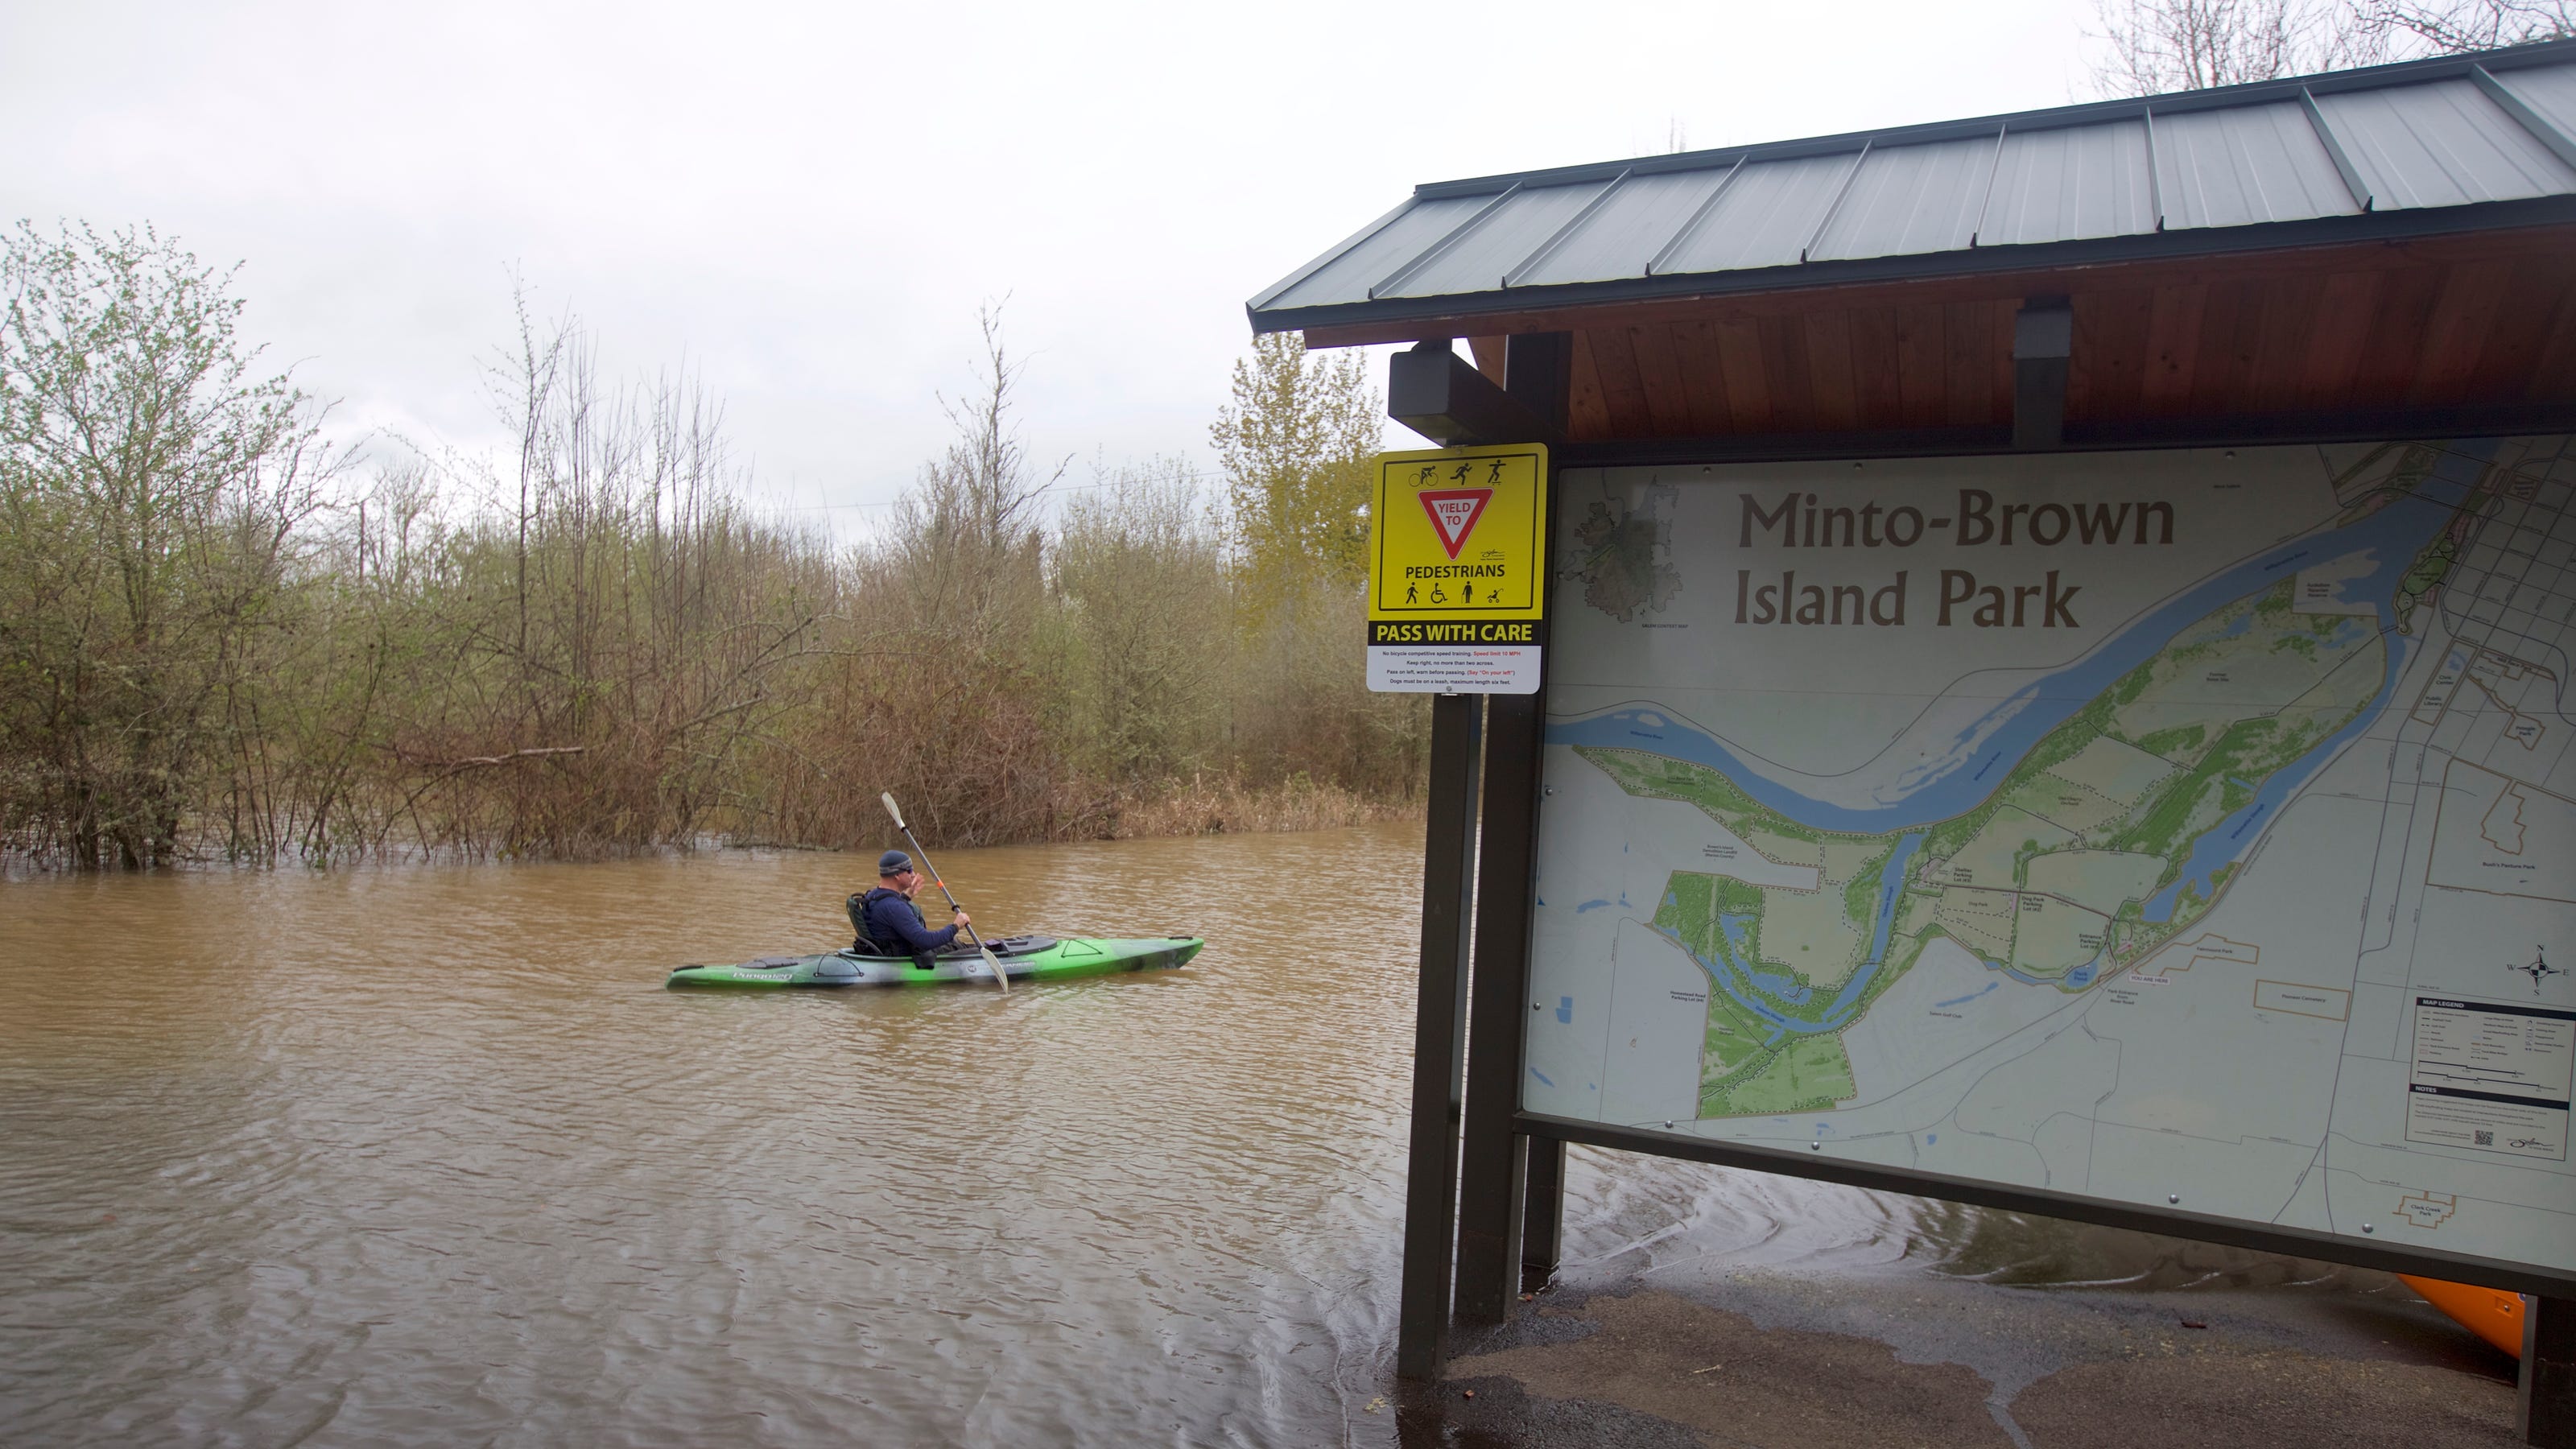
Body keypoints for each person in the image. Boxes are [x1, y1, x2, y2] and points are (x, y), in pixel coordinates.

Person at [848, 849, 971, 969]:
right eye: (909, 871)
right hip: (907, 956)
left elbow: (889, 915)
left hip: (889, 949)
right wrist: (956, 926)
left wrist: (906, 896)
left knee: (961, 944)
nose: (913, 874)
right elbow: (926, 941)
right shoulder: (895, 907)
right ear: (896, 875)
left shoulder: (873, 896)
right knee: (962, 947)